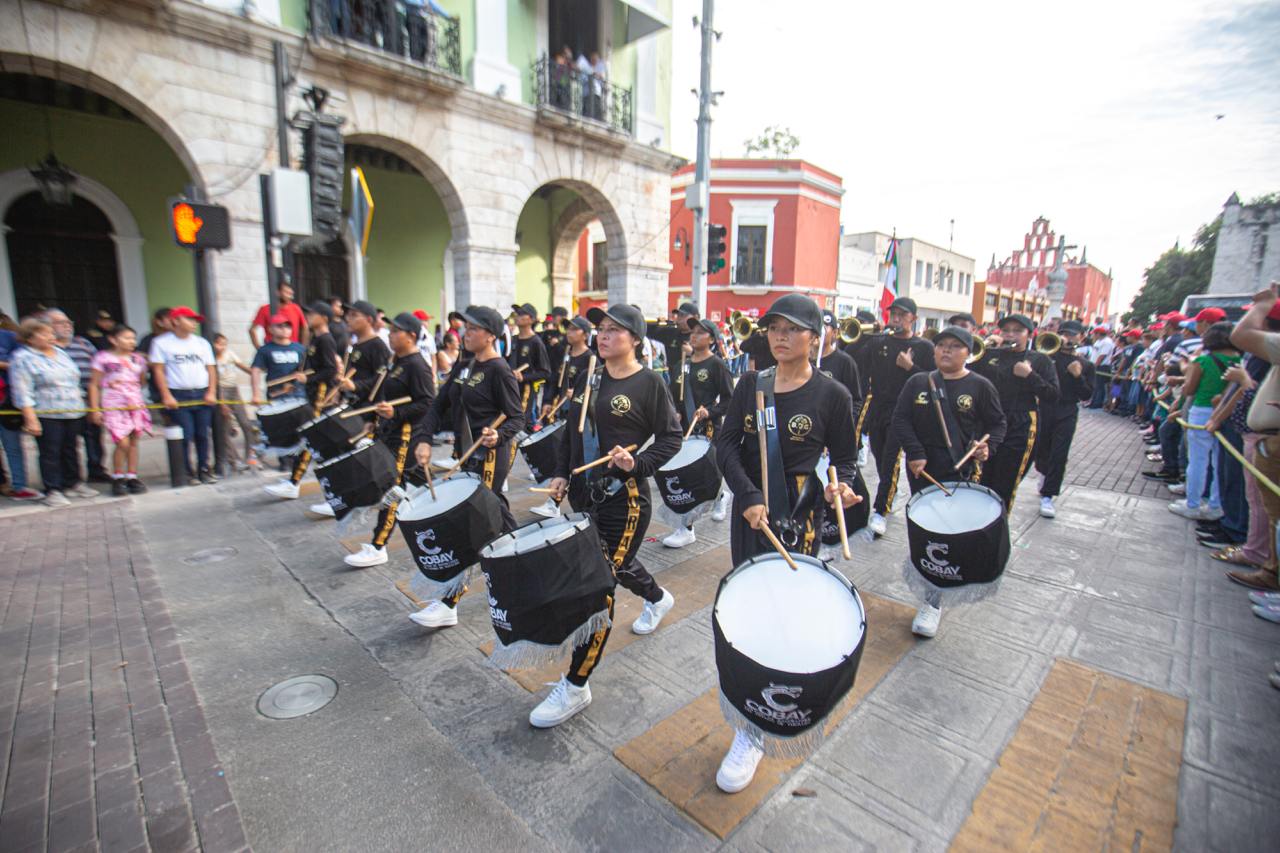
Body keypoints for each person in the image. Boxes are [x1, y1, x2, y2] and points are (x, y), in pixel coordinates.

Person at [712, 293, 860, 793]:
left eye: (792, 329)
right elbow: (726, 445)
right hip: (750, 513)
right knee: (749, 606)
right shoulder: (750, 385)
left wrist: (842, 484)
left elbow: (845, 457)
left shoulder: (832, 395)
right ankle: (748, 721)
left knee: (785, 611)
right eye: (774, 327)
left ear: (814, 338)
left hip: (798, 517)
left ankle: (756, 727)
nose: (779, 336)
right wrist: (748, 494)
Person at [535, 303, 683, 729]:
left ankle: (577, 683)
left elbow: (670, 438)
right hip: (586, 494)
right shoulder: (590, 376)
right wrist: (561, 473)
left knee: (598, 584)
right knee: (611, 565)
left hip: (627, 501)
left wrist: (636, 464)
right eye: (601, 329)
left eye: (614, 330)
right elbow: (571, 430)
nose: (603, 336)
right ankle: (657, 597)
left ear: (635, 339)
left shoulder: (650, 383)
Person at [410, 305, 524, 627]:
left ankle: (448, 603)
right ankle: (529, 563)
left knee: (472, 524)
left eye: (473, 328)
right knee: (497, 518)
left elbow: (516, 417)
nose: (465, 332)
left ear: (490, 335)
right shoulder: (464, 365)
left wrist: (497, 435)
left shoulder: (500, 370)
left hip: (489, 456)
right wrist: (422, 438)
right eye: (465, 327)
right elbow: (438, 404)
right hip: (465, 453)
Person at [891, 325, 1005, 637]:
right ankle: (933, 594)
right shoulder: (918, 382)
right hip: (922, 469)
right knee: (927, 530)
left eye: (955, 346)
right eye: (941, 345)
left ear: (969, 352)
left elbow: (997, 424)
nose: (946, 351)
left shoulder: (980, 386)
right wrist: (914, 452)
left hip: (959, 472)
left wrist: (986, 447)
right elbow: (901, 419)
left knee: (949, 534)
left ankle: (935, 598)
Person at [344, 312, 438, 569]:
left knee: (392, 489)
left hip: (406, 437)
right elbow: (379, 387)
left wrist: (397, 412)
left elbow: (428, 402)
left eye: (396, 331)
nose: (391, 335)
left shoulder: (417, 365)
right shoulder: (394, 361)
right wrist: (375, 415)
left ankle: (378, 545)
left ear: (410, 336)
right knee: (417, 484)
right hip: (390, 433)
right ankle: (438, 514)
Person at [860, 297, 935, 536]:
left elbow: (934, 381)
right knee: (880, 456)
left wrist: (910, 367)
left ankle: (880, 509)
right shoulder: (878, 342)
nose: (896, 319)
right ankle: (889, 489)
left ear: (913, 318)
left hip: (904, 411)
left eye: (902, 315)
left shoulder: (923, 347)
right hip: (878, 407)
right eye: (893, 314)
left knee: (890, 458)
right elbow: (856, 359)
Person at [972, 313, 1059, 512]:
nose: (1011, 335)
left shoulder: (1039, 359)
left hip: (1021, 422)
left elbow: (1053, 395)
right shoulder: (990, 354)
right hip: (989, 422)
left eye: (1018, 331)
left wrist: (1030, 376)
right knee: (980, 479)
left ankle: (997, 533)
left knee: (1006, 482)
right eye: (1006, 330)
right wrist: (986, 347)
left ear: (1029, 334)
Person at [662, 317, 735, 547]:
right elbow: (670, 396)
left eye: (701, 332)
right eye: (692, 331)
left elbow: (729, 400)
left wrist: (710, 411)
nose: (694, 335)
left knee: (703, 473)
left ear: (712, 339)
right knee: (685, 475)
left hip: (709, 428)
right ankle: (687, 526)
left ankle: (716, 499)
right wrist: (674, 412)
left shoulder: (717, 365)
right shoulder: (681, 364)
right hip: (683, 428)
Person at [1226, 286, 1280, 596]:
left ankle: (1265, 563)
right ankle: (1267, 564)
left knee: (1267, 509)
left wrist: (1265, 304)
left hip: (1268, 439)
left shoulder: (1262, 347)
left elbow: (1242, 334)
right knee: (1264, 508)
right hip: (1264, 438)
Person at [10, 317, 97, 507]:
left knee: (71, 448)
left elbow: (74, 378)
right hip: (46, 412)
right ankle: (52, 489)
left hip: (72, 409)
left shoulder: (60, 353)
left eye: (50, 332)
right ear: (30, 338)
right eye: (44, 333)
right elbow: (22, 390)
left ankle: (73, 482)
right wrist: (30, 418)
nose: (50, 336)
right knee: (50, 451)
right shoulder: (23, 358)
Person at [264, 302, 341, 499]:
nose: (308, 316)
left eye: (313, 313)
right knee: (312, 439)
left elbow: (331, 370)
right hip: (313, 394)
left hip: (321, 396)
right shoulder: (315, 339)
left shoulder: (325, 340)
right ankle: (294, 481)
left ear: (324, 317)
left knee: (310, 439)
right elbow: (306, 366)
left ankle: (295, 483)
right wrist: (293, 380)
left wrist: (308, 379)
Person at [1168, 322, 1239, 521]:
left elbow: (1189, 389)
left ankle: (1192, 503)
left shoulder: (1203, 360)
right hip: (1226, 410)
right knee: (1219, 462)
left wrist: (1190, 365)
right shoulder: (1241, 360)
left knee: (1198, 460)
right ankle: (1215, 504)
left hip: (1202, 410)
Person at [530, 315, 594, 519]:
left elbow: (593, 389)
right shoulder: (565, 353)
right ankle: (553, 499)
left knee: (569, 455)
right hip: (561, 411)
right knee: (559, 454)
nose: (569, 333)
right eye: (568, 329)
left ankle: (554, 501)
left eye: (574, 329)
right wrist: (548, 401)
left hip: (577, 415)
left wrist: (577, 394)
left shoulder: (590, 358)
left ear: (585, 334)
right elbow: (553, 380)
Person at [149, 306, 219, 486]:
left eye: (195, 320)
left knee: (203, 434)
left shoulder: (202, 343)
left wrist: (211, 391)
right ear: (176, 320)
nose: (194, 323)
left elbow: (211, 369)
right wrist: (166, 395)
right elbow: (158, 370)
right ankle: (187, 471)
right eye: (190, 319)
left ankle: (204, 468)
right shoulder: (161, 343)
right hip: (178, 394)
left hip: (202, 392)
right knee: (185, 435)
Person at [1034, 321, 1095, 518]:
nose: (1068, 338)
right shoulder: (1048, 357)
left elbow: (1087, 395)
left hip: (1067, 410)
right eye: (1064, 334)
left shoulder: (1085, 365)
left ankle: (1048, 495)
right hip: (1045, 407)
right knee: (1041, 448)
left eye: (1073, 334)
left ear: (1081, 337)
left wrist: (1078, 376)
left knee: (1059, 453)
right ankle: (1043, 473)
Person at [88, 324, 152, 495]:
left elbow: (142, 381)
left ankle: (132, 476)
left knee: (133, 441)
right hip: (114, 404)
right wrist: (95, 409)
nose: (131, 342)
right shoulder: (102, 358)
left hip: (135, 403)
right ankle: (118, 476)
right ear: (113, 339)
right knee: (121, 441)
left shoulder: (138, 359)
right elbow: (94, 384)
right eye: (127, 338)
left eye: (133, 338)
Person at [46, 309, 109, 482]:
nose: (66, 326)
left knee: (94, 437)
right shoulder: (47, 348)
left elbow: (99, 368)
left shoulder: (83, 343)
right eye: (60, 322)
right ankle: (70, 478)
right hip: (62, 403)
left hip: (89, 399)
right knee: (66, 444)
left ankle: (96, 471)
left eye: (68, 322)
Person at [0, 319, 39, 500]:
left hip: (6, 401)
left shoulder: (9, 338)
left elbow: (24, 363)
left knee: (12, 446)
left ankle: (19, 486)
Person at [213, 333, 256, 472]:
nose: (222, 347)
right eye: (219, 344)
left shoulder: (229, 354)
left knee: (246, 424)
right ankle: (234, 460)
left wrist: (254, 372)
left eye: (224, 344)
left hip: (233, 389)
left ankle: (250, 456)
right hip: (221, 391)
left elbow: (241, 366)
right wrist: (222, 403)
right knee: (224, 429)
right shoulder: (211, 359)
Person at [250, 315, 308, 404]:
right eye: (279, 326)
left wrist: (305, 378)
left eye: (288, 326)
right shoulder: (265, 350)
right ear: (270, 329)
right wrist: (256, 395)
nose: (284, 329)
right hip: (276, 395)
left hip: (299, 394)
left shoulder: (300, 348)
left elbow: (309, 369)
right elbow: (255, 371)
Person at [249, 281, 307, 348]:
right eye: (287, 293)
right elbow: (252, 330)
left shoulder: (296, 308)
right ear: (278, 292)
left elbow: (305, 327)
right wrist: (260, 349)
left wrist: (302, 348)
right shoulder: (265, 309)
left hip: (292, 350)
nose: (290, 296)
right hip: (272, 349)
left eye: (291, 294)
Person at [137, 307, 172, 404]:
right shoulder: (149, 339)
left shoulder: (179, 339)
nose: (173, 321)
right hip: (157, 382)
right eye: (169, 318)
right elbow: (139, 358)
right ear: (159, 322)